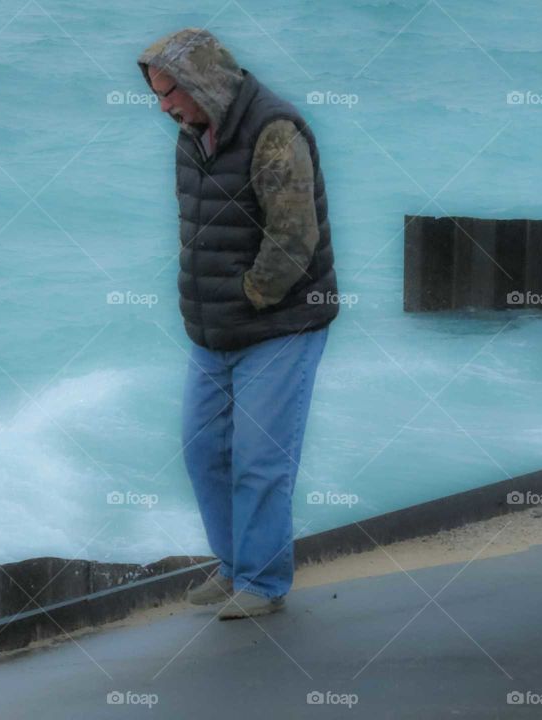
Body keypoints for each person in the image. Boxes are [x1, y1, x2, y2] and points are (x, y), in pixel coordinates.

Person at [137, 28, 340, 619]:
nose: (165, 106)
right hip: (213, 329)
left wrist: (251, 295)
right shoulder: (191, 135)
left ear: (205, 80)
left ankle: (263, 581)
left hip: (280, 325)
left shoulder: (274, 130)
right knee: (204, 450)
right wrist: (203, 305)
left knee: (260, 458)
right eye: (156, 95)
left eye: (172, 91)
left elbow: (294, 238)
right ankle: (232, 568)